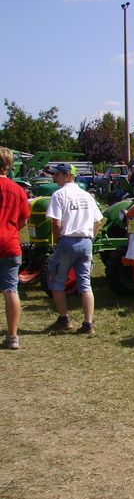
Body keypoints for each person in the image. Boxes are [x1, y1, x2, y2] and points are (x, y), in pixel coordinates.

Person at [45, 163, 104, 335]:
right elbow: (98, 221)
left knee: (57, 280)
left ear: (67, 175)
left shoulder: (59, 195)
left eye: (57, 175)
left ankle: (64, 319)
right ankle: (88, 323)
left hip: (67, 241)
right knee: (85, 283)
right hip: (86, 242)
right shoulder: (87, 196)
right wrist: (91, 238)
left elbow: (56, 223)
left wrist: (56, 241)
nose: (55, 178)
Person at [0, 147, 30, 349]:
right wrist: (10, 230)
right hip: (10, 244)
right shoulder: (18, 190)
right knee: (11, 290)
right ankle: (12, 336)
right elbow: (24, 219)